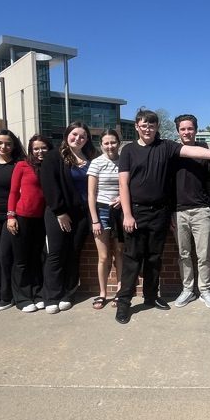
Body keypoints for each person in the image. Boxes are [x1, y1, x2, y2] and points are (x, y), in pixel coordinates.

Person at [115, 109, 210, 325]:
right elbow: (123, 183)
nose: (147, 129)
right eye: (144, 125)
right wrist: (127, 214)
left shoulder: (166, 147)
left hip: (161, 212)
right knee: (133, 258)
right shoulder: (128, 150)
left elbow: (196, 152)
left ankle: (151, 296)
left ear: (157, 127)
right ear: (136, 126)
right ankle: (124, 302)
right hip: (136, 211)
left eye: (152, 125)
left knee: (154, 258)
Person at [40, 121, 97, 314]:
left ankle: (68, 294)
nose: (78, 139)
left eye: (82, 136)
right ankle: (52, 296)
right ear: (67, 135)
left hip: (82, 215)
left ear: (87, 139)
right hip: (59, 213)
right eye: (74, 134)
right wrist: (60, 212)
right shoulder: (54, 156)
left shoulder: (91, 158)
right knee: (56, 253)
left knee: (73, 253)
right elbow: (49, 184)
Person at [172, 113, 210, 309]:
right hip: (178, 212)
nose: (186, 132)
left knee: (203, 255)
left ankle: (205, 291)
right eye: (182, 129)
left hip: (201, 210)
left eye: (190, 128)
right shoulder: (172, 153)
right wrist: (169, 213)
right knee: (184, 254)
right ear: (178, 132)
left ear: (196, 130)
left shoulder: (203, 151)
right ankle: (188, 290)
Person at [7, 134, 53, 313]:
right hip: (22, 216)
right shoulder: (22, 165)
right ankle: (22, 297)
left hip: (42, 218)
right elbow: (13, 192)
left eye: (43, 148)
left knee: (37, 257)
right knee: (21, 259)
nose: (40, 151)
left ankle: (38, 293)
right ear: (31, 150)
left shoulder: (50, 166)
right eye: (36, 148)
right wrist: (11, 216)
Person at [0, 129, 26, 312]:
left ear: (14, 146)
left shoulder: (19, 164)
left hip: (12, 215)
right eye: (0, 143)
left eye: (8, 143)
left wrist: (13, 215)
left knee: (5, 255)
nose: (3, 146)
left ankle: (7, 295)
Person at [88, 128, 124, 310]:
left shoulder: (125, 161)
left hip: (120, 211)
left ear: (119, 142)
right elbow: (91, 194)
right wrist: (94, 219)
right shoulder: (96, 163)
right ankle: (102, 293)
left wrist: (122, 198)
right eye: (106, 143)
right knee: (103, 257)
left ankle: (120, 291)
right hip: (101, 211)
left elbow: (129, 186)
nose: (110, 146)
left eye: (113, 142)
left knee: (119, 253)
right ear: (101, 145)